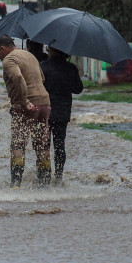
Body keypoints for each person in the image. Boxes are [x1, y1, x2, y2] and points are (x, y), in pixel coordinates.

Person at [0, 34, 51, 187]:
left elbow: (18, 78)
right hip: (45, 103)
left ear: (2, 48)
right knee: (42, 144)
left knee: (18, 145)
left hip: (26, 106)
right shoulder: (30, 55)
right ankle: (44, 184)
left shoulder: (9, 60)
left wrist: (25, 101)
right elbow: (42, 78)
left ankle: (15, 185)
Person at [40, 46, 84, 184]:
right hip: (62, 113)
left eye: (48, 48)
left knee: (43, 146)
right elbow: (78, 89)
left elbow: (36, 86)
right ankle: (58, 177)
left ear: (52, 50)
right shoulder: (70, 68)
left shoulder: (42, 66)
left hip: (45, 112)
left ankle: (44, 177)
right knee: (60, 146)